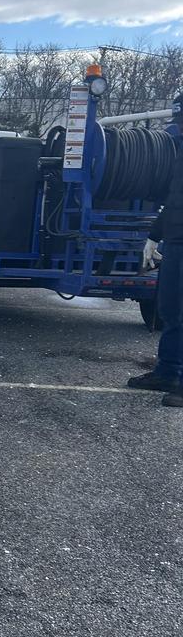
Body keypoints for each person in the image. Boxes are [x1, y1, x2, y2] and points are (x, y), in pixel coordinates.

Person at [128, 93, 183, 406]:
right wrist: (154, 236)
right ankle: (167, 371)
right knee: (171, 310)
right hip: (175, 241)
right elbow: (175, 199)